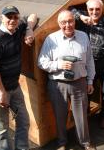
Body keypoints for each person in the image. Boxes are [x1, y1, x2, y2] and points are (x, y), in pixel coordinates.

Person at [38, 10, 96, 150]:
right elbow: (41, 61)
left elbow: (89, 60)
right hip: (58, 84)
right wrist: (58, 65)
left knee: (81, 115)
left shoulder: (83, 37)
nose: (68, 25)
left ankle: (85, 142)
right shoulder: (51, 39)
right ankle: (62, 143)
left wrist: (90, 81)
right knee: (60, 115)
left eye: (70, 21)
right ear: (59, 23)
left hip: (80, 82)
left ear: (74, 22)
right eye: (64, 22)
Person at [0, 5, 37, 150]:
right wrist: (2, 93)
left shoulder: (18, 28)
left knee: (23, 120)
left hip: (14, 86)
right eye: (9, 17)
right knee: (3, 126)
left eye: (15, 17)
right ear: (1, 18)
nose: (13, 20)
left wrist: (29, 29)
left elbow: (32, 15)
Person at [72, 0, 104, 129]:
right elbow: (70, 10)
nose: (94, 12)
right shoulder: (83, 19)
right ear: (87, 9)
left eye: (97, 9)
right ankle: (86, 114)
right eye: (91, 9)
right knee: (87, 90)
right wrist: (81, 17)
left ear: (102, 9)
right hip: (88, 64)